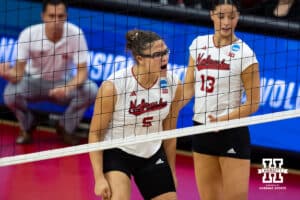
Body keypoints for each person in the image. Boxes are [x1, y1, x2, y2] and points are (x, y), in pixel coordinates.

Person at [89, 29, 183, 200]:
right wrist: (99, 178)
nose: (164, 58)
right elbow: (95, 134)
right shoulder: (113, 86)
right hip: (118, 151)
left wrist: (171, 172)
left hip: (151, 151)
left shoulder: (173, 83)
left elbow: (170, 132)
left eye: (166, 52)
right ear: (140, 58)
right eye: (157, 54)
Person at [184, 0, 260, 200]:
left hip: (231, 132)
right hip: (201, 129)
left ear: (238, 17)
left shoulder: (246, 54)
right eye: (221, 16)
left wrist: (224, 119)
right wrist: (169, 110)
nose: (226, 22)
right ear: (211, 15)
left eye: (232, 16)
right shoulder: (198, 44)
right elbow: (187, 88)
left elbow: (253, 103)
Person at [0, 0, 98, 145]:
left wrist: (67, 87)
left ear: (66, 16)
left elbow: (83, 72)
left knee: (91, 90)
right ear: (43, 16)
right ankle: (27, 125)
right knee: (9, 95)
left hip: (62, 82)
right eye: (51, 16)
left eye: (60, 16)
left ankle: (65, 127)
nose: (56, 21)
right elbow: (18, 74)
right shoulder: (29, 34)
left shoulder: (75, 34)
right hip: (32, 81)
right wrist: (6, 74)